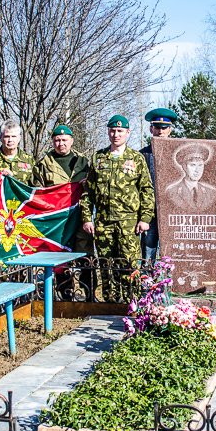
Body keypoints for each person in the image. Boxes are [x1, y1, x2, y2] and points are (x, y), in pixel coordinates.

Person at [81, 115, 154, 302]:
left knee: (129, 264)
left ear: (128, 133)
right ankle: (110, 303)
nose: (116, 134)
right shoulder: (98, 158)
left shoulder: (136, 158)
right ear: (108, 132)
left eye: (120, 131)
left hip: (128, 222)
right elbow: (88, 191)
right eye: (113, 130)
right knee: (106, 265)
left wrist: (145, 218)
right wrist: (87, 217)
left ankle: (133, 303)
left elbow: (146, 190)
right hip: (104, 222)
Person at [32, 125, 93, 299]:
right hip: (58, 220)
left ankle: (88, 296)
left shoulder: (83, 162)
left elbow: (93, 186)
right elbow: (37, 191)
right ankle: (64, 295)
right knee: (60, 256)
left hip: (81, 217)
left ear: (71, 141)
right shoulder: (45, 163)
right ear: (52, 142)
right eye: (57, 140)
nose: (61, 144)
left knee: (85, 255)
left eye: (64, 140)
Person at [139, 107, 178, 262]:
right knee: (148, 252)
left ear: (170, 130)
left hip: (172, 213)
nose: (161, 131)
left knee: (173, 255)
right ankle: (149, 285)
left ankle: (171, 285)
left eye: (164, 128)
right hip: (151, 213)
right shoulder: (142, 155)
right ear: (151, 129)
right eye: (157, 127)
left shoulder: (178, 153)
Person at [166, 143, 216, 210]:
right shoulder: (172, 191)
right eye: (193, 165)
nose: (197, 170)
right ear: (184, 166)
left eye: (200, 165)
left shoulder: (211, 192)